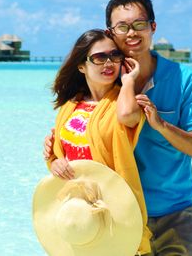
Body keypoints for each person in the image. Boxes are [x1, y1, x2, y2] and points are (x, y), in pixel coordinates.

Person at [44, 0, 192, 255]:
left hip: (173, 212)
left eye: (139, 24)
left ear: (152, 27)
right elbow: (80, 135)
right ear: (111, 32)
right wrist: (53, 154)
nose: (131, 33)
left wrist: (161, 125)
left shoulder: (185, 78)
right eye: (122, 26)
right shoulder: (107, 81)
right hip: (117, 213)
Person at [45, 28, 151, 254]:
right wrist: (54, 163)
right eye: (99, 57)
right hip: (78, 214)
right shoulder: (69, 106)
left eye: (114, 56)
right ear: (81, 65)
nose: (109, 62)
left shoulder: (126, 102)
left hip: (113, 210)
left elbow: (127, 117)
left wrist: (129, 80)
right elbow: (58, 153)